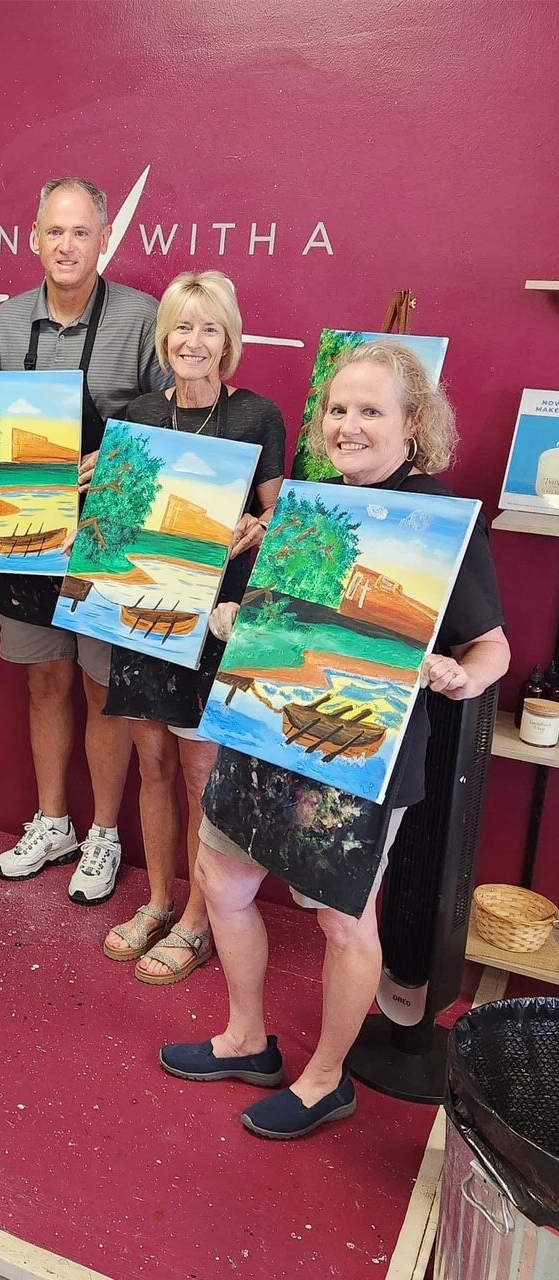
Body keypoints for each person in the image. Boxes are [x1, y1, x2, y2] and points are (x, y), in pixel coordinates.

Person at [161, 340, 509, 1138]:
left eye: (370, 411)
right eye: (338, 409)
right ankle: (246, 1040)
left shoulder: (441, 521)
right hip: (263, 728)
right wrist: (238, 618)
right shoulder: (311, 506)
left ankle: (325, 1081)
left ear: (413, 423)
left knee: (344, 922)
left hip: (362, 760)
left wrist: (462, 676)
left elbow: (492, 647)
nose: (348, 425)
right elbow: (282, 615)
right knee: (222, 878)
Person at [0, 177, 170, 904]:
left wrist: (115, 458)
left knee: (101, 688)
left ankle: (104, 834)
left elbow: (173, 421)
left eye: (81, 232)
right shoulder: (7, 322)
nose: (66, 246)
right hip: (28, 529)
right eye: (54, 232)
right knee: (44, 680)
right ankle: (53, 821)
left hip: (107, 532)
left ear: (104, 239)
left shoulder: (143, 317)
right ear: (34, 238)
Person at [101, 271, 285, 985]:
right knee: (151, 764)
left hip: (217, 619)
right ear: (165, 336)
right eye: (183, 326)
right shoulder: (141, 414)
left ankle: (199, 920)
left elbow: (280, 517)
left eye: (210, 328)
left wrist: (259, 526)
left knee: (200, 774)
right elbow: (119, 513)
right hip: (146, 611)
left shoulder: (257, 416)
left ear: (228, 339)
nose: (195, 341)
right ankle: (157, 901)